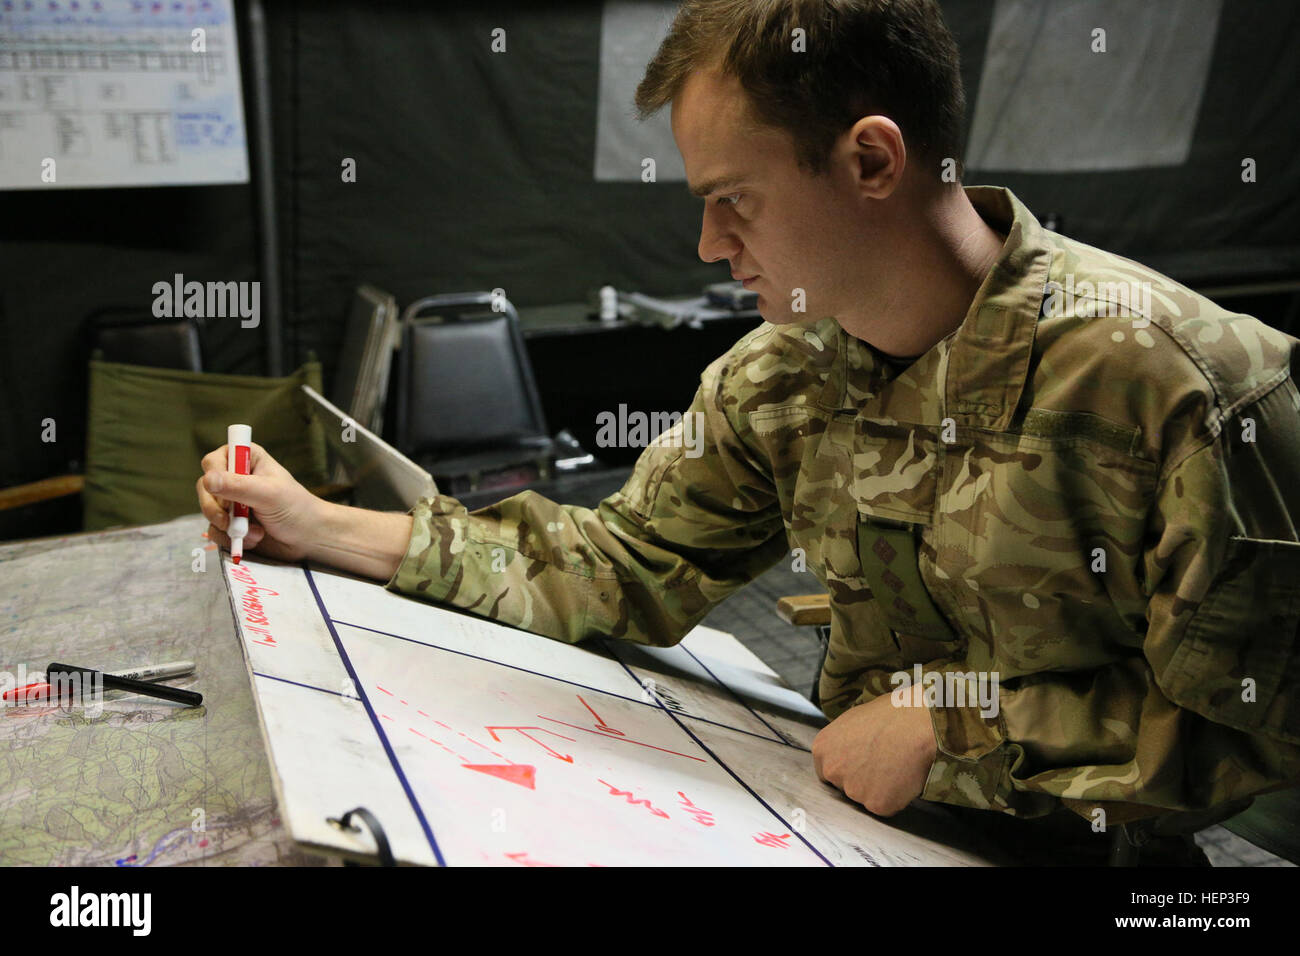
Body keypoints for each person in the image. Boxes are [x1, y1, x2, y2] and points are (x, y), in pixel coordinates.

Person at [197, 0, 1300, 865]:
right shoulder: (785, 374)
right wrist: (321, 525)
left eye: (735, 198)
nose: (708, 244)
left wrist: (954, 717)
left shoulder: (1187, 389)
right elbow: (617, 563)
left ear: (871, 160)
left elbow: (1256, 723)